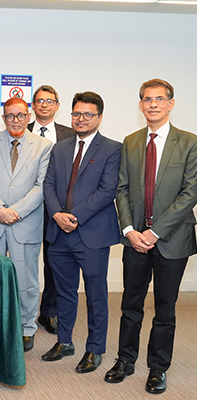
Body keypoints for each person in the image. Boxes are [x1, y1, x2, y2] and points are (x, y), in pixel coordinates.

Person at [105, 79, 197, 395]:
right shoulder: (131, 142)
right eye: (147, 99)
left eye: (159, 99)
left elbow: (190, 193)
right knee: (130, 304)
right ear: (141, 104)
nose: (153, 104)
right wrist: (130, 230)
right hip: (134, 241)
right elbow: (121, 189)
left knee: (165, 308)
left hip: (172, 240)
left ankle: (158, 367)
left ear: (171, 103)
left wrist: (155, 233)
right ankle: (125, 359)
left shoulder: (190, 142)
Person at [41, 92, 121, 373]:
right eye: (77, 113)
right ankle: (64, 341)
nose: (81, 119)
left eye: (88, 114)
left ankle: (94, 348)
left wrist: (74, 217)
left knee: (96, 295)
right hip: (59, 234)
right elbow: (48, 185)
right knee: (64, 292)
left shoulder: (112, 148)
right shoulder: (60, 148)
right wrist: (57, 214)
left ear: (99, 117)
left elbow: (107, 191)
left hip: (92, 235)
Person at [0, 97, 53, 352]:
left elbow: (42, 186)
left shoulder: (44, 146)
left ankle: (26, 327)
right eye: (10, 116)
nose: (15, 120)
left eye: (20, 115)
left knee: (25, 280)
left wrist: (14, 212)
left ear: (29, 116)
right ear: (3, 118)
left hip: (25, 224)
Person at [28, 85, 77, 335]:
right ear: (33, 105)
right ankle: (22, 313)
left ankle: (49, 312)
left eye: (50, 101)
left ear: (57, 106)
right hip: (26, 208)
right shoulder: (20, 129)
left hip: (56, 209)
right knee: (25, 262)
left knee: (54, 263)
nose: (44, 105)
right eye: (40, 100)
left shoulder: (71, 134)